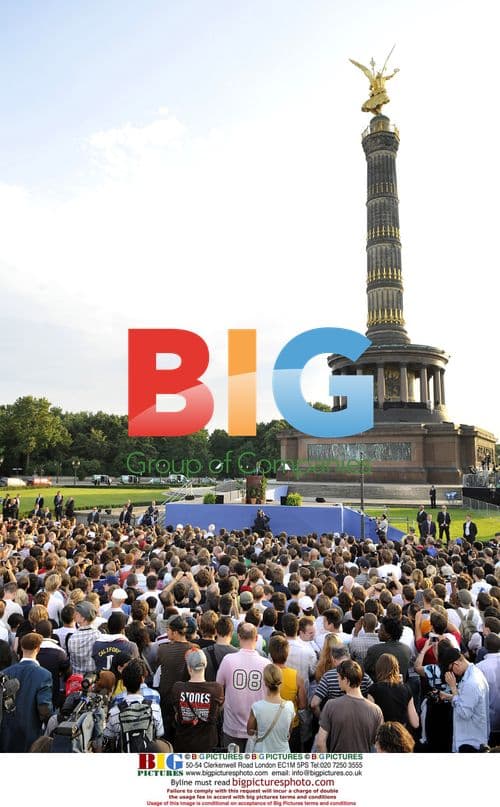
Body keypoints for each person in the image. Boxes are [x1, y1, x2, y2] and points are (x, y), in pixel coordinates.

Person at [216, 622, 269, 750]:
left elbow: (218, 687)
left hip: (232, 726)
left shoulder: (228, 660)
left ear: (239, 637)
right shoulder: (266, 664)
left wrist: (223, 705)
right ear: (256, 638)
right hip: (257, 727)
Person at [0, 632, 53, 752]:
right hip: (31, 733)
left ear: (21, 647)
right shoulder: (44, 674)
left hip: (6, 733)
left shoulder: (6, 672)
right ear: (38, 649)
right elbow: (44, 708)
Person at [316, 659, 383, 752]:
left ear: (346, 680)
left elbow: (320, 743)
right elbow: (379, 744)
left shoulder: (330, 705)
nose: (337, 680)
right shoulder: (376, 710)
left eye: (339, 677)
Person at [171, 648, 224, 752]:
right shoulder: (216, 689)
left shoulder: (177, 688)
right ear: (206, 664)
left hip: (184, 744)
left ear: (189, 668)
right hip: (207, 745)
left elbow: (177, 712)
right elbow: (219, 710)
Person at [439, 647, 490, 752]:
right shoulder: (473, 673)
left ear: (456, 664)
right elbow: (465, 700)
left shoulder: (471, 682)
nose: (451, 673)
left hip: (470, 742)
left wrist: (453, 687)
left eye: (450, 670)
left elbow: (464, 712)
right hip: (472, 737)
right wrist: (448, 697)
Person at [246, 664, 295, 752]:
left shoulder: (256, 707)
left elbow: (250, 732)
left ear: (265, 682)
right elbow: (289, 731)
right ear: (281, 681)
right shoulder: (290, 706)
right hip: (283, 753)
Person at [367, 653, 419, 729]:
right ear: (396, 668)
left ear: (378, 668)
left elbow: (371, 720)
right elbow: (415, 723)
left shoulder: (373, 689)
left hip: (382, 733)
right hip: (401, 734)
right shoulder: (406, 689)